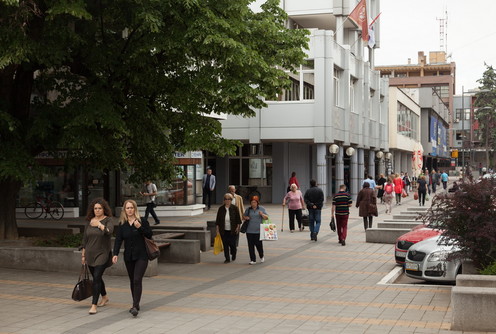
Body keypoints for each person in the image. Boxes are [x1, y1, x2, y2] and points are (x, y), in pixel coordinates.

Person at [112, 199, 153, 317]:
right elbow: (118, 240)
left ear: (135, 209)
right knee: (132, 280)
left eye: (131, 208)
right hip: (128, 256)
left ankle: (134, 306)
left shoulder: (142, 221)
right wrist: (115, 254)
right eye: (127, 208)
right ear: (124, 210)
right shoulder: (122, 224)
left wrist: (140, 227)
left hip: (142, 255)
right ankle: (136, 302)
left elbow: (150, 234)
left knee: (136, 279)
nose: (130, 210)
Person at [81, 198, 114, 315]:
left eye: (100, 208)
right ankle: (104, 296)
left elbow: (109, 232)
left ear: (104, 209)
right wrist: (83, 254)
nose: (97, 210)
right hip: (90, 253)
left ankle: (93, 305)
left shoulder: (108, 220)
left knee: (96, 277)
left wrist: (99, 225)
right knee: (97, 278)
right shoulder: (89, 221)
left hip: (102, 253)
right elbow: (85, 239)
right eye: (95, 208)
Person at [215, 193, 242, 263]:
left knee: (232, 244)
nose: (227, 201)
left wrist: (238, 227)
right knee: (225, 244)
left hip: (233, 230)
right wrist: (217, 229)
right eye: (225, 199)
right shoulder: (221, 209)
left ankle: (234, 253)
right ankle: (227, 258)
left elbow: (238, 219)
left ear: (231, 200)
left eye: (228, 199)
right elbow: (218, 220)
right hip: (223, 230)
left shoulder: (235, 208)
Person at [243, 196, 268, 265]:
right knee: (250, 245)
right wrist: (246, 218)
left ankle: (261, 256)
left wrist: (262, 214)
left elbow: (266, 217)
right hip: (249, 231)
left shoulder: (261, 209)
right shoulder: (248, 209)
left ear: (257, 203)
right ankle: (252, 259)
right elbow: (243, 216)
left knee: (258, 244)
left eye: (254, 202)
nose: (253, 204)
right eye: (252, 202)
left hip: (258, 231)